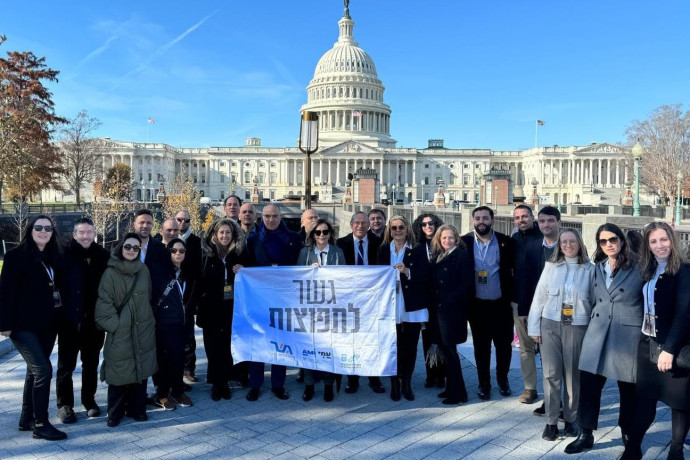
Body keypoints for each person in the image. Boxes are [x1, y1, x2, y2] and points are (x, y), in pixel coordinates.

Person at [565, 224, 643, 454]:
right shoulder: (596, 268)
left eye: (612, 239)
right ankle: (585, 433)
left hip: (627, 334)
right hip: (597, 332)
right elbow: (586, 299)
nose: (608, 244)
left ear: (621, 240)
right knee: (588, 385)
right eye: (602, 241)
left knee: (628, 388)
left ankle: (628, 433)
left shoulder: (638, 268)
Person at [621, 222, 690, 460]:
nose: (659, 245)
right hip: (647, 344)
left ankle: (676, 452)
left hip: (675, 346)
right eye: (653, 241)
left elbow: (684, 314)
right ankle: (633, 448)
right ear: (647, 246)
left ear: (672, 240)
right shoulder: (647, 270)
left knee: (679, 402)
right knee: (644, 400)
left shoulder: (684, 271)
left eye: (664, 239)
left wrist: (669, 349)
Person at [0, 215, 67, 440]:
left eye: (48, 228)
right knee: (43, 371)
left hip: (47, 325)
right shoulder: (15, 256)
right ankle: (41, 423)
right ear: (30, 230)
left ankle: (26, 418)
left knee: (33, 371)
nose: (43, 231)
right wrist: (5, 324)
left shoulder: (53, 256)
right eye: (38, 227)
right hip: (22, 326)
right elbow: (6, 292)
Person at [528, 228, 594, 441]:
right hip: (550, 325)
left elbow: (594, 302)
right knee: (551, 374)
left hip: (577, 326)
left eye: (571, 241)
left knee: (572, 376)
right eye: (563, 242)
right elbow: (539, 298)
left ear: (579, 244)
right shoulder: (551, 267)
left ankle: (571, 418)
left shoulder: (590, 270)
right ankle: (551, 422)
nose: (567, 245)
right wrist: (534, 329)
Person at [95, 233, 157, 428]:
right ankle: (115, 412)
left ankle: (137, 409)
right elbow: (104, 304)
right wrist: (118, 326)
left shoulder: (143, 270)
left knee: (141, 369)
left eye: (135, 247)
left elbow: (148, 297)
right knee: (119, 373)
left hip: (143, 328)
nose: (131, 250)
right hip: (121, 330)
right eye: (128, 246)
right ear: (121, 248)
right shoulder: (110, 273)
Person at [245, 204, 302, 401]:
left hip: (284, 297)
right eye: (267, 216)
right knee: (259, 340)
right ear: (262, 218)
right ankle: (255, 385)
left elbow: (300, 266)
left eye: (275, 216)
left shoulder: (293, 239)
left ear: (281, 217)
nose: (271, 220)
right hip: (259, 297)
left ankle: (278, 384)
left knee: (281, 342)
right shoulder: (252, 240)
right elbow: (246, 264)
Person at [55, 218, 110, 424]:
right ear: (74, 235)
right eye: (81, 233)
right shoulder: (63, 255)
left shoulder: (103, 255)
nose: (86, 236)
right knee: (65, 365)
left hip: (94, 322)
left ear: (94, 233)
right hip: (70, 321)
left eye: (89, 232)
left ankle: (89, 399)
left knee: (91, 364)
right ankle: (65, 405)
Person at [461, 206, 515, 400]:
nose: (481, 221)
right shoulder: (464, 242)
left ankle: (503, 379)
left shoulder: (506, 242)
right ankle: (484, 383)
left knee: (504, 346)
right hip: (477, 306)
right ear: (473, 221)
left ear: (492, 220)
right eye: (477, 218)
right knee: (481, 347)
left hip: (501, 304)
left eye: (485, 218)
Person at [196, 218, 249, 401]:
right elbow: (198, 281)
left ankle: (224, 381)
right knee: (212, 347)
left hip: (232, 308)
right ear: (214, 235)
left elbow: (252, 275)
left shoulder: (240, 254)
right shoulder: (206, 255)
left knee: (227, 345)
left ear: (233, 234)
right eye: (221, 233)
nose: (224, 236)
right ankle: (216, 383)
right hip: (210, 308)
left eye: (228, 232)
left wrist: (243, 270)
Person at [336, 211, 385, 394]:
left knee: (373, 339)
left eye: (364, 223)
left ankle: (374, 378)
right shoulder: (341, 244)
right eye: (357, 223)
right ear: (351, 225)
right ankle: (352, 379)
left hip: (372, 298)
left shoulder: (379, 243)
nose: (360, 226)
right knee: (352, 340)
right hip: (349, 298)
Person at [516, 206, 560, 409]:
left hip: (560, 311)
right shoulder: (533, 247)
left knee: (556, 357)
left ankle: (558, 399)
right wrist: (524, 311)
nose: (546, 225)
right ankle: (544, 395)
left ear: (558, 222)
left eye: (550, 221)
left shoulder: (569, 244)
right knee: (536, 352)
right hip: (535, 308)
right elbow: (524, 280)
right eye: (543, 221)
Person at [297, 219, 345, 402]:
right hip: (310, 309)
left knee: (329, 347)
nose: (322, 235)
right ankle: (309, 385)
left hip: (331, 308)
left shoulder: (337, 252)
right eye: (318, 232)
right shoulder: (305, 253)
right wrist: (309, 271)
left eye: (325, 232)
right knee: (310, 347)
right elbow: (297, 278)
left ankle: (328, 385)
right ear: (313, 235)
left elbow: (344, 278)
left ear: (330, 234)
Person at [376, 215, 423, 401]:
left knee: (410, 346)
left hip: (410, 304)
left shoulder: (417, 250)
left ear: (407, 229)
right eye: (394, 228)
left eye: (401, 227)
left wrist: (407, 271)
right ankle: (394, 383)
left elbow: (425, 275)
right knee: (391, 346)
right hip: (389, 304)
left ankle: (407, 383)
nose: (397, 231)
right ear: (389, 230)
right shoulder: (382, 250)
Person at [430, 224, 474, 404]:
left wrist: (449, 299)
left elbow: (467, 285)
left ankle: (458, 393)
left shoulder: (461, 256)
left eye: (450, 237)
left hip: (451, 312)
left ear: (456, 239)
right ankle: (453, 388)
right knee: (447, 352)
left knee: (450, 352)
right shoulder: (440, 256)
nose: (447, 241)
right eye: (443, 238)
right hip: (441, 311)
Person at [152, 238, 194, 410]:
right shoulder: (160, 272)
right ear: (168, 252)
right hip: (164, 322)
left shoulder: (187, 273)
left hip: (182, 322)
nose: (178, 254)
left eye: (181, 251)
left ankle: (177, 390)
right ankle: (161, 394)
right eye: (174, 250)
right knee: (164, 359)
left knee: (178, 358)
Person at [411, 213, 445, 389]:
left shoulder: (444, 245)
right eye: (424, 225)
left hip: (443, 300)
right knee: (427, 338)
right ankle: (430, 374)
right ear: (420, 228)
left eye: (431, 223)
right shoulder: (417, 249)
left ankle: (442, 375)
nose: (428, 227)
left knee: (442, 337)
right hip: (426, 300)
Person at [175, 210, 202, 385]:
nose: (182, 222)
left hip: (189, 292)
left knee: (188, 335)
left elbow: (198, 271)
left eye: (186, 220)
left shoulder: (196, 242)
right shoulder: (165, 239)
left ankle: (188, 369)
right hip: (171, 293)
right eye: (179, 219)